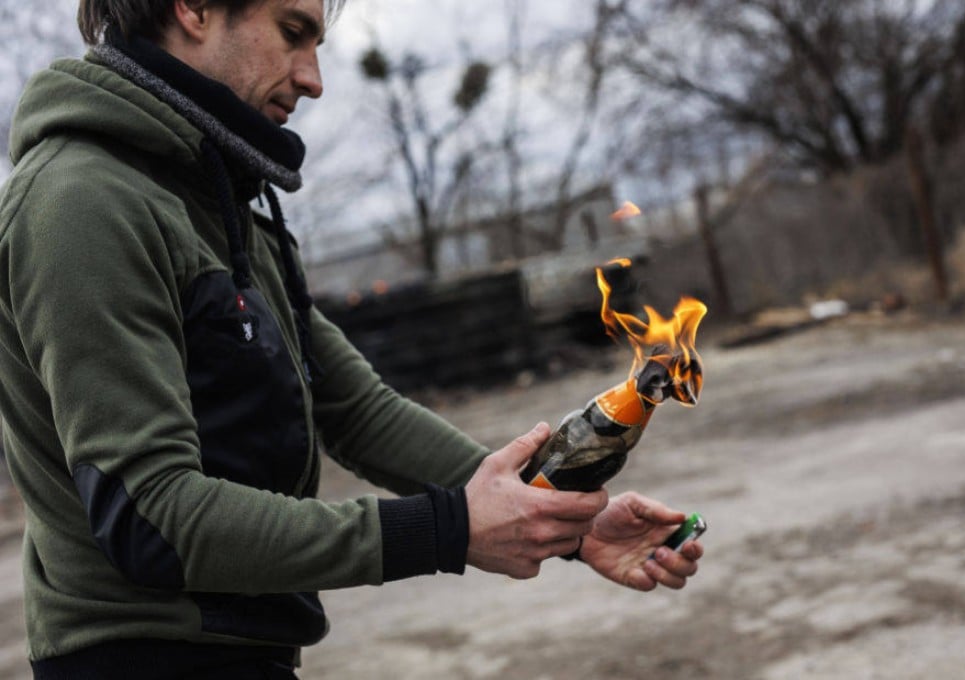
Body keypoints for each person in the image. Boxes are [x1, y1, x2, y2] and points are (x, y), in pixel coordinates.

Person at [0, 0, 704, 677]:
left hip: (242, 653)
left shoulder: (220, 210)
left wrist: (561, 515)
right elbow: (155, 520)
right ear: (193, 8)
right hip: (138, 659)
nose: (313, 78)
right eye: (292, 31)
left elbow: (359, 413)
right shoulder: (81, 204)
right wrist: (447, 529)